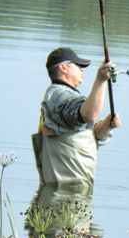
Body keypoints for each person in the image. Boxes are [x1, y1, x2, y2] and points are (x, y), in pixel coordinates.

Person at [34, 47, 121, 188]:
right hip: (63, 190)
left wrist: (106, 125)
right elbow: (88, 115)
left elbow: (87, 136)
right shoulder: (58, 95)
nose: (82, 69)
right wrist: (101, 80)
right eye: (78, 65)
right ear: (63, 68)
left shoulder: (60, 96)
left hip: (72, 187)